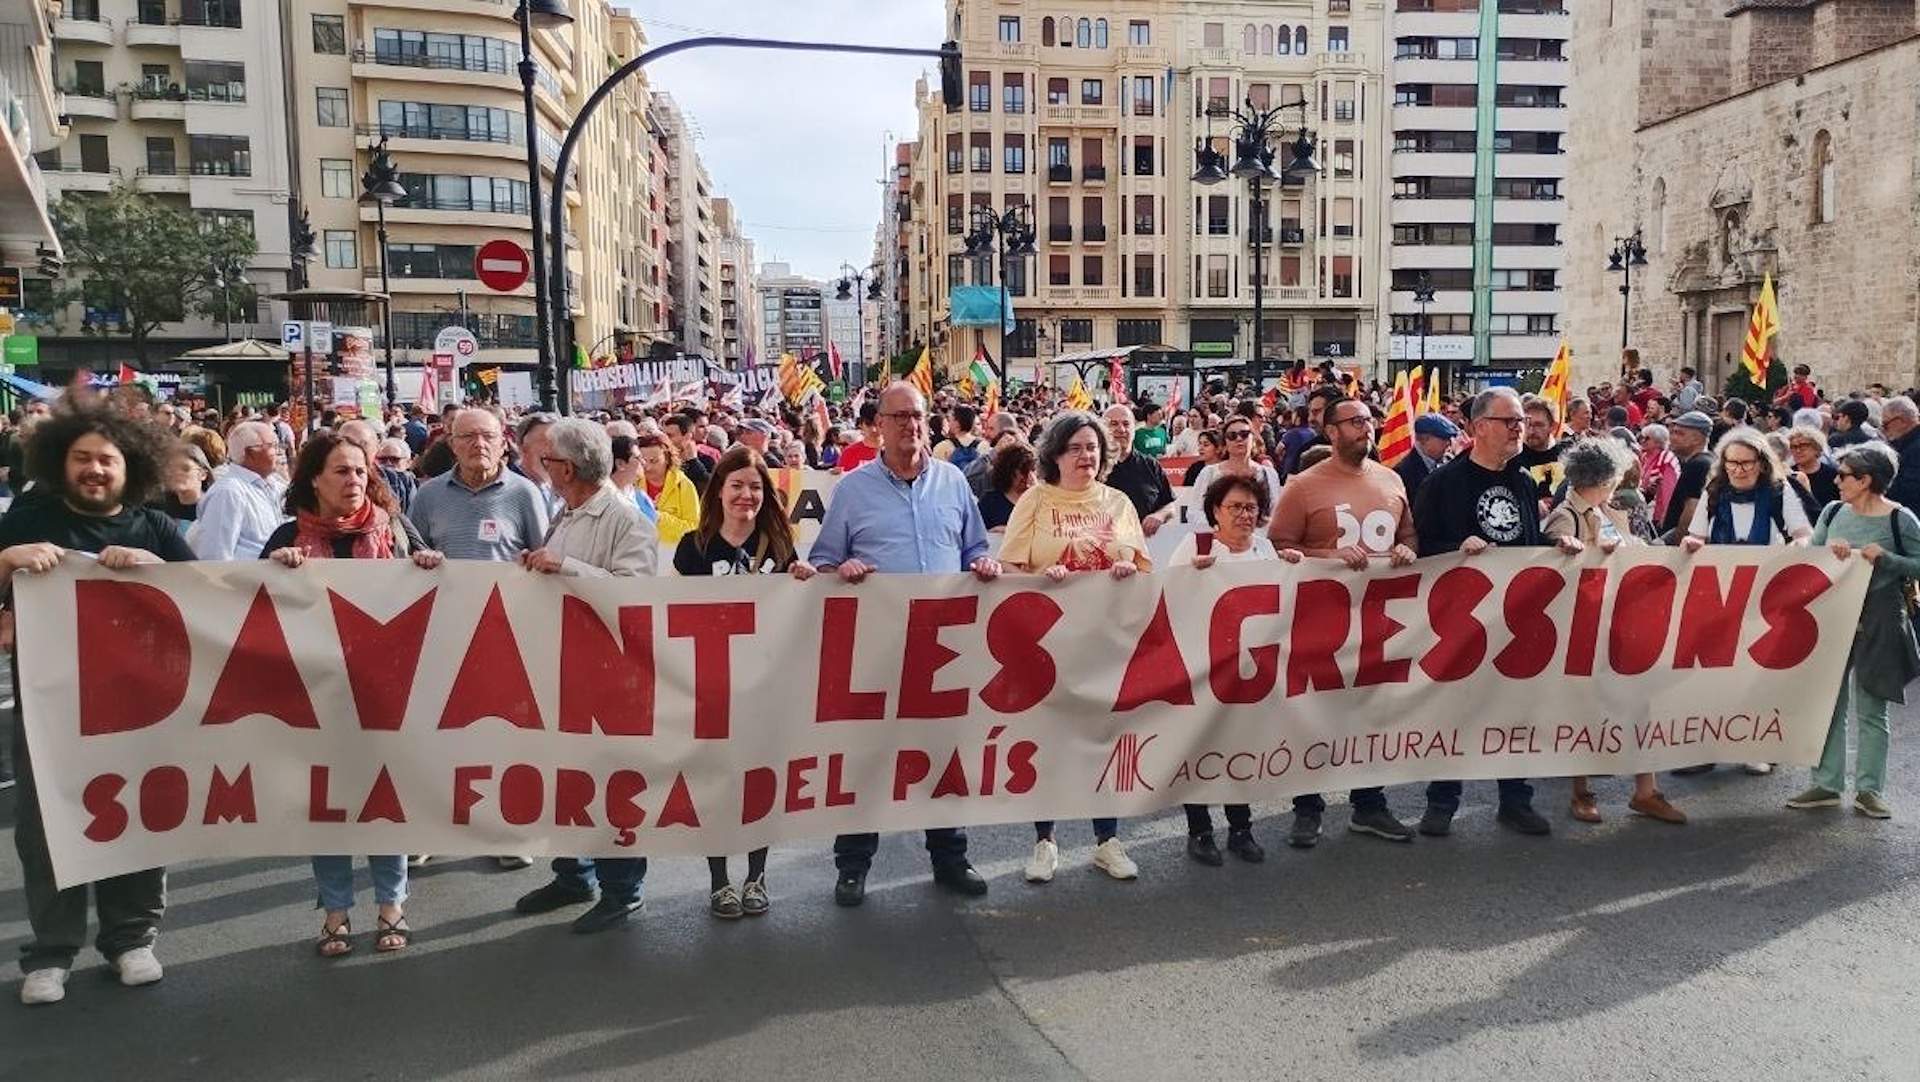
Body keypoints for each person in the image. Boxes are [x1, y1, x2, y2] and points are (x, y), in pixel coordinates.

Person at [1, 400, 193, 1005]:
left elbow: (209, 605)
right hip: (51, 710)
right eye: (81, 458)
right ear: (62, 463)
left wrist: (156, 568)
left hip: (138, 709)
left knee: (137, 817)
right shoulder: (26, 517)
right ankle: (51, 954)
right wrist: (4, 561)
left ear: (128, 466)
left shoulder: (154, 527)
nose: (93, 470)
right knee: (46, 830)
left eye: (105, 460)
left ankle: (131, 938)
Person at [809, 384, 1000, 906]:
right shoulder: (851, 490)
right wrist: (839, 569)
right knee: (867, 760)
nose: (911, 426)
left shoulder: (954, 482)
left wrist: (983, 565)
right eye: (898, 417)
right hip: (875, 648)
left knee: (941, 758)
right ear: (878, 425)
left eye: (917, 416)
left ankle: (950, 858)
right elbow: (822, 561)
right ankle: (853, 866)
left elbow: (976, 548)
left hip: (942, 652)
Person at [262, 431, 444, 957]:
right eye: (341, 471)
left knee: (384, 801)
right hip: (316, 698)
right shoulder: (285, 537)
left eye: (361, 471)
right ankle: (336, 910)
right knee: (329, 807)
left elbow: (437, 588)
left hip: (384, 693)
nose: (354, 480)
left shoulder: (395, 531)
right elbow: (250, 613)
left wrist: (430, 566)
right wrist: (274, 571)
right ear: (313, 479)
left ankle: (392, 905)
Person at [510, 419, 659, 932]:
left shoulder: (626, 520)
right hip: (564, 664)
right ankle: (575, 873)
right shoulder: (566, 513)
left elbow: (634, 597)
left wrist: (566, 568)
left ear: (567, 469)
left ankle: (624, 889)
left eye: (547, 461)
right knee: (568, 777)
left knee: (611, 779)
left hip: (610, 673)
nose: (541, 469)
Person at [1412, 386, 1572, 837]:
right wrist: (1456, 549)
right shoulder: (1443, 484)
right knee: (1454, 712)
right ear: (1479, 427)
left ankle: (1515, 798)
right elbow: (1423, 549)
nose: (1520, 429)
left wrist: (1556, 547)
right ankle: (1442, 801)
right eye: (1510, 421)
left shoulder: (1522, 480)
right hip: (1460, 624)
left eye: (1521, 421)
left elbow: (1527, 544)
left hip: (1515, 621)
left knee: (1514, 711)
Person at [999, 412, 1150, 884]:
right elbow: (1009, 570)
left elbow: (1144, 571)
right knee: (1050, 742)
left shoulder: (1119, 502)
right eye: (1077, 448)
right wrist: (1042, 580)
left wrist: (1128, 573)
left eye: (1094, 448)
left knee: (1103, 740)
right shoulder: (1036, 501)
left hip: (1105, 643)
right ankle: (1045, 841)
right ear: (1055, 455)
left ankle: (1107, 840)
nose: (1087, 457)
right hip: (1047, 645)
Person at [1270, 396, 1422, 846]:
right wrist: (1328, 556)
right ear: (1331, 432)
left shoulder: (1391, 480)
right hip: (1320, 622)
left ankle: (1369, 804)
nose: (1366, 427)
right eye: (1354, 422)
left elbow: (1408, 532)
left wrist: (1406, 549)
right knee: (1314, 715)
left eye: (1368, 420)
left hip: (1378, 623)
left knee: (1371, 714)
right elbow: (1278, 546)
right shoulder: (1303, 485)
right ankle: (1307, 807)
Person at [673, 446, 816, 916]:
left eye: (754, 487)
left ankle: (756, 877)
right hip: (711, 687)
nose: (745, 495)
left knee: (759, 783)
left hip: (764, 689)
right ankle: (719, 881)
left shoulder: (779, 547)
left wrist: (801, 580)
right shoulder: (691, 548)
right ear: (718, 491)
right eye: (736, 485)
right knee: (716, 783)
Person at [407, 407, 549, 871]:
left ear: (503, 441)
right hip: (442, 635)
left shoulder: (525, 494)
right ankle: (432, 829)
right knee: (439, 738)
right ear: (450, 443)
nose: (477, 445)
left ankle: (505, 832)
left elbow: (542, 557)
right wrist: (422, 560)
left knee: (502, 739)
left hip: (507, 640)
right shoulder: (428, 496)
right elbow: (411, 556)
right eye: (467, 437)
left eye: (486, 436)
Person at [1542, 438, 1685, 825]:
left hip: (1621, 621)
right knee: (1585, 710)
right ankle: (1581, 792)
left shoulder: (1607, 511)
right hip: (1585, 627)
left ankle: (1646, 791)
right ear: (1604, 478)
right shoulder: (1566, 517)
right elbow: (1556, 571)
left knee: (1641, 704)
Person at [1169, 473, 1296, 865]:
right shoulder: (1195, 546)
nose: (1244, 515)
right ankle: (1200, 830)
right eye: (1235, 507)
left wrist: (1293, 569)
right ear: (1215, 512)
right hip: (1202, 668)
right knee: (1200, 749)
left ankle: (1241, 829)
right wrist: (1189, 575)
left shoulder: (1265, 549)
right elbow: (1166, 601)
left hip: (1249, 671)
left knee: (1239, 750)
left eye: (1251, 508)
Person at [1790, 446, 1920, 819]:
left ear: (1865, 481)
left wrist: (1889, 559)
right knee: (1829, 705)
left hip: (1880, 619)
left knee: (1871, 708)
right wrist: (1828, 550)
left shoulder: (1901, 519)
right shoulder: (1832, 512)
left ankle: (1869, 789)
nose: (1835, 479)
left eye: (1843, 474)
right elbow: (1810, 558)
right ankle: (1827, 784)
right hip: (1833, 616)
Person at [188, 420, 282, 560]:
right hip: (248, 579)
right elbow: (214, 557)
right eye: (271, 446)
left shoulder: (276, 485)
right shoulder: (228, 492)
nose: (278, 451)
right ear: (250, 453)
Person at [1184, 415, 1283, 526]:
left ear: (1253, 439)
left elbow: (1277, 513)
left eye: (1244, 434)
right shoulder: (1209, 473)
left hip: (1259, 537)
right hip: (1219, 538)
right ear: (1225, 443)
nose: (1239, 439)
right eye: (1232, 436)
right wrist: (1223, 527)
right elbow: (1194, 512)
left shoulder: (1268, 474)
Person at [1100, 404, 1177, 535]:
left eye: (1126, 424)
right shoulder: (1094, 467)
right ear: (1102, 429)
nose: (1121, 429)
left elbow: (1169, 505)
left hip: (1146, 545)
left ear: (1134, 429)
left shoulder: (1151, 465)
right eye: (1113, 424)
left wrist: (1159, 515)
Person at [1660, 412, 1716, 540]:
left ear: (1696, 439)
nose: (1672, 437)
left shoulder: (1698, 465)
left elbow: (1692, 509)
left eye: (1679, 433)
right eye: (1672, 432)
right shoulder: (1708, 461)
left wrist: (1678, 549)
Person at [635, 433, 698, 545]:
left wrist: (659, 517)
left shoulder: (684, 485)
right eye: (643, 461)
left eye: (654, 461)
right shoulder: (633, 484)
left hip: (670, 554)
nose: (647, 467)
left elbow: (694, 529)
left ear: (668, 459)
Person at [1397, 413, 1456, 503]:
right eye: (1444, 439)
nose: (1448, 443)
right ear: (1425, 439)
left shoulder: (1449, 461)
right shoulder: (1404, 472)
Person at [1785, 425, 1840, 519]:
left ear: (1816, 448)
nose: (1798, 450)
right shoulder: (1788, 475)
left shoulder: (1833, 475)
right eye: (1793, 447)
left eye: (1803, 446)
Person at [978, 441, 1035, 532]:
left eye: (1032, 470)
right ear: (1008, 471)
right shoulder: (990, 501)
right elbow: (976, 535)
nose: (1027, 476)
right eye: (1022, 471)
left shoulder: (1040, 501)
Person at [154, 443, 212, 529]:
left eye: (185, 468)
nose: (177, 473)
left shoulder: (213, 507)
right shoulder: (157, 508)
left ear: (203, 474)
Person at [1881, 396, 1920, 518]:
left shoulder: (1915, 448)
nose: (1883, 430)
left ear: (1900, 422)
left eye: (1885, 424)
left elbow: (1909, 490)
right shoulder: (1905, 442)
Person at [661, 412, 713, 490]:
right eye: (665, 435)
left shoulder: (706, 460)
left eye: (670, 436)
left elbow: (710, 486)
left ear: (688, 436)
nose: (665, 440)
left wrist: (694, 462)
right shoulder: (662, 460)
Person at [933, 404, 987, 471]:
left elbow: (937, 472)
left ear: (957, 423)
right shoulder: (985, 446)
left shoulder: (943, 447)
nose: (948, 424)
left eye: (950, 420)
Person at [835, 399, 883, 473]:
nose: (874, 430)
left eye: (877, 424)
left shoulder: (895, 452)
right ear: (861, 424)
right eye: (868, 424)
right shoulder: (849, 453)